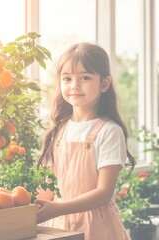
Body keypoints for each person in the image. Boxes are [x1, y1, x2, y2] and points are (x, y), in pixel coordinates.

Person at [36, 42, 135, 240]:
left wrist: (58, 208)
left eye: (85, 77)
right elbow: (47, 188)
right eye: (67, 78)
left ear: (104, 83)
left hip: (96, 227)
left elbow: (104, 193)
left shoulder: (109, 131)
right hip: (58, 226)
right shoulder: (56, 132)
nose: (75, 85)